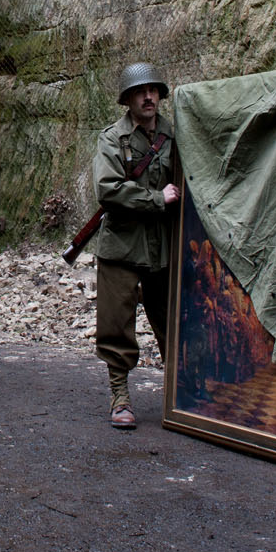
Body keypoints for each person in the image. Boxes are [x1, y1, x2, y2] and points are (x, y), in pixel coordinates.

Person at [90, 62, 179, 430]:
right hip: (123, 245)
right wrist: (157, 198)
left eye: (154, 91)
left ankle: (179, 396)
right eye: (140, 92)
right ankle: (120, 395)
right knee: (116, 323)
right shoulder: (113, 139)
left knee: (171, 321)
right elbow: (108, 189)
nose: (148, 97)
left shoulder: (174, 136)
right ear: (127, 100)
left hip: (162, 246)